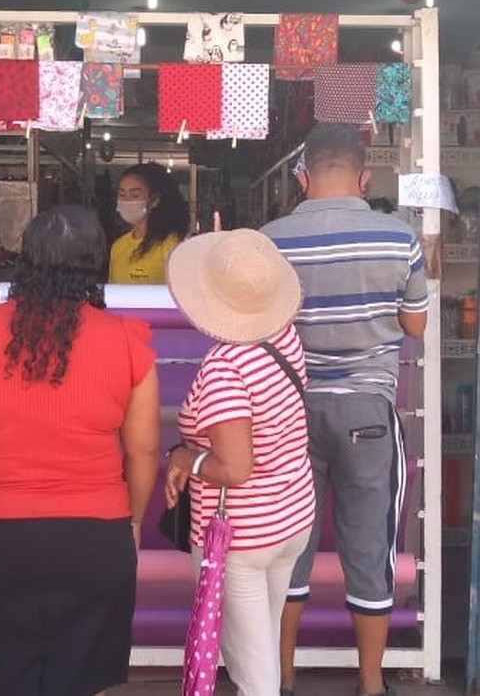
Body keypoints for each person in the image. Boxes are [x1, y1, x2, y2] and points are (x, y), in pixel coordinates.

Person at [0, 205, 161, 696]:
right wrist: (130, 522)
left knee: (7, 678)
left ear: (25, 259)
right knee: (85, 679)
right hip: (97, 535)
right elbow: (143, 450)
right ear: (96, 264)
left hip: (0, 535)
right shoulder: (128, 341)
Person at [261, 123, 428, 696]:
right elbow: (416, 324)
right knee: (368, 548)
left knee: (286, 546)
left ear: (302, 175)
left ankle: (279, 677)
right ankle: (371, 683)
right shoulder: (398, 236)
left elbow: (259, 327)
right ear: (364, 176)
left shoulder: (269, 240)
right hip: (367, 411)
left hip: (287, 412)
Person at [163, 228, 316, 696]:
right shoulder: (283, 336)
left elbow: (235, 469)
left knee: (253, 672)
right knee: (261, 646)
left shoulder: (226, 366)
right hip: (291, 517)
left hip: (242, 536)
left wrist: (186, 458)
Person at [108, 162, 189, 284]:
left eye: (135, 195)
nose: (126, 200)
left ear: (154, 200)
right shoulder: (118, 247)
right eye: (122, 194)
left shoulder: (172, 245)